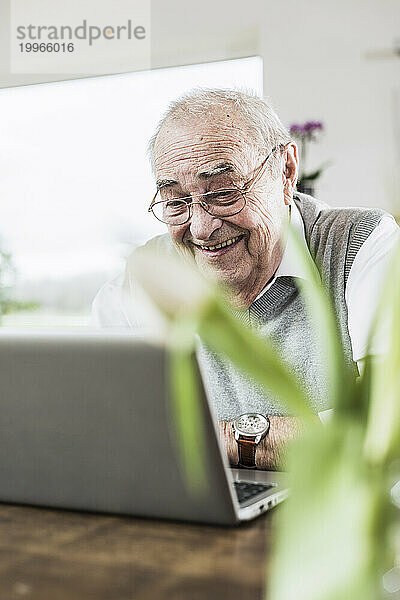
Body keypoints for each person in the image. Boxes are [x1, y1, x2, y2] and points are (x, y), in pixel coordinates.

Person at [92, 89, 400, 470]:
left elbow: (387, 423)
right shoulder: (148, 272)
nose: (202, 229)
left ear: (286, 172)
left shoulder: (363, 244)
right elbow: (107, 425)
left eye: (224, 192)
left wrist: (227, 440)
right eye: (175, 202)